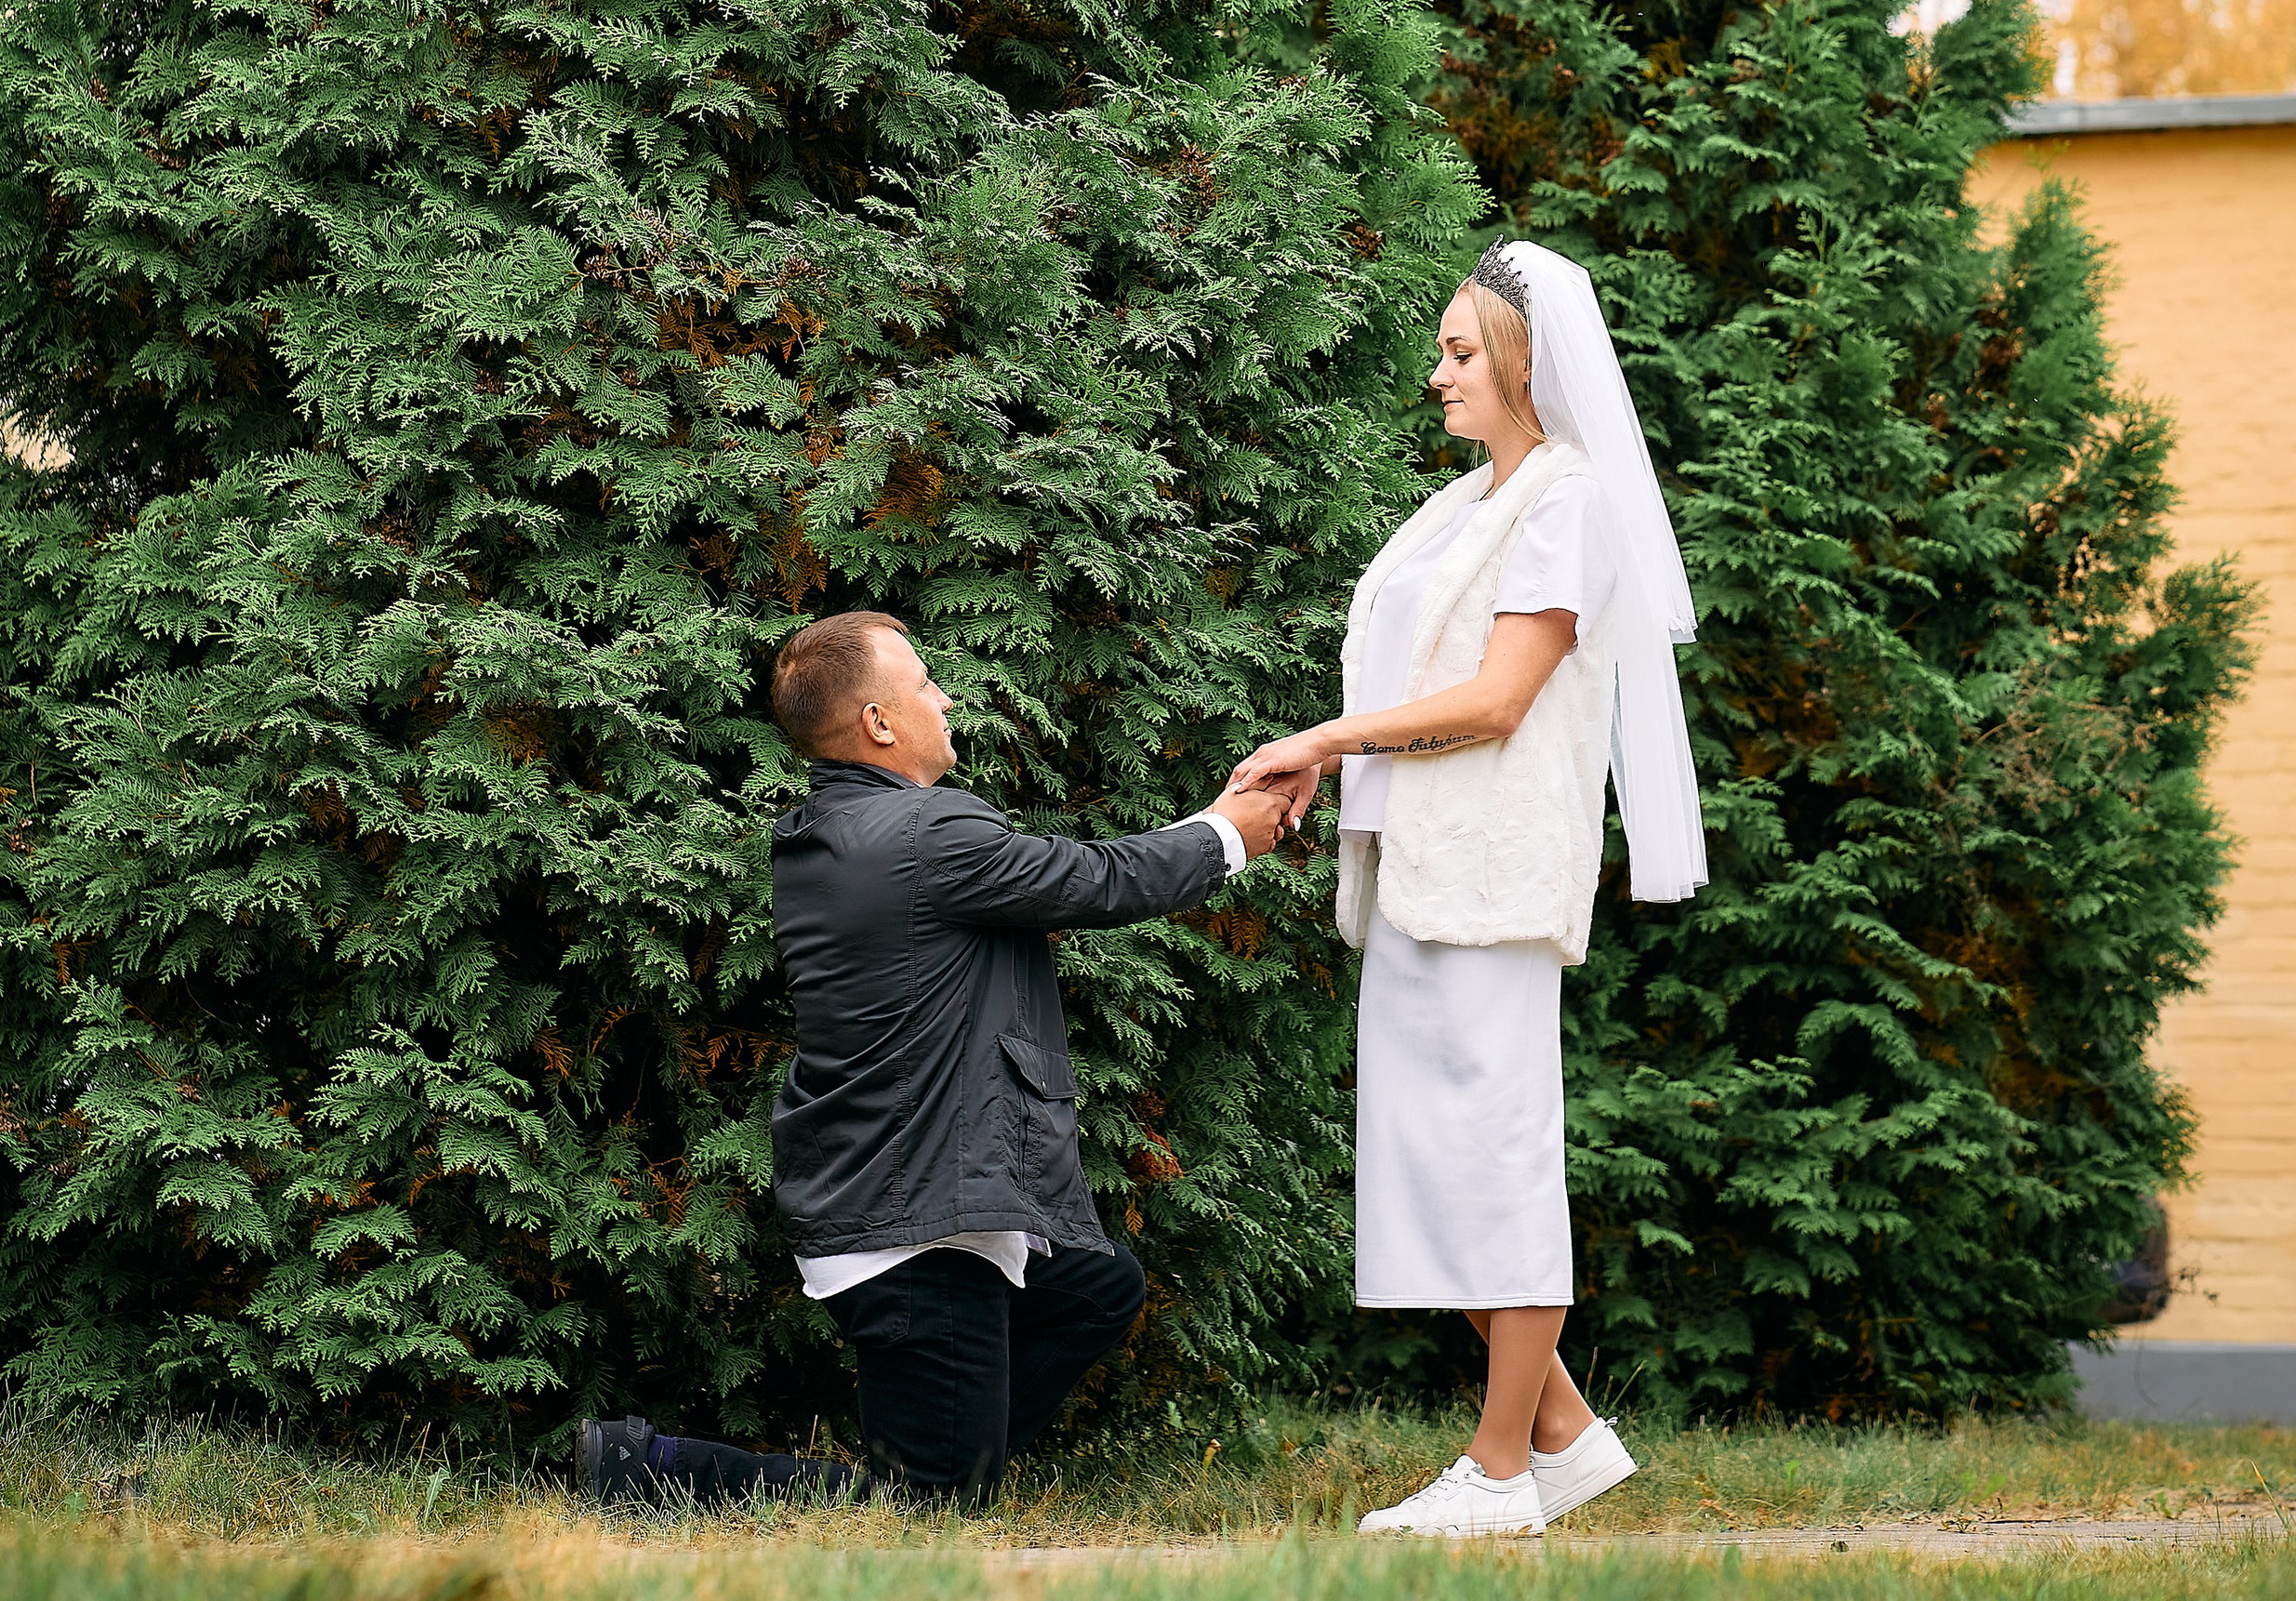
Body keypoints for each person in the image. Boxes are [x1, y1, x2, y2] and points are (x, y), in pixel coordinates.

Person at [584, 608, 1297, 1510]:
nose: (944, 695)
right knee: (925, 1506)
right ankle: (646, 1466)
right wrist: (1228, 831)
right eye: (924, 681)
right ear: (879, 721)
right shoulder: (921, 834)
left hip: (908, 1193)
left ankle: (948, 1448)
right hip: (917, 1221)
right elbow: (1098, 878)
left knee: (1093, 1287)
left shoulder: (844, 830)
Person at [1230, 238, 1706, 1541]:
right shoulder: (1463, 505)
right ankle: (1563, 1434)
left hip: (1495, 874)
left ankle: (1500, 1475)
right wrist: (1349, 763)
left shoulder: (1569, 499)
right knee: (1433, 1163)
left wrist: (1323, 744)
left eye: (1458, 352)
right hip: (1418, 871)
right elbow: (1409, 682)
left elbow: (1499, 700)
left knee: (1495, 1163)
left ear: (1524, 362)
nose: (1434, 374)